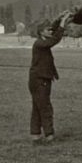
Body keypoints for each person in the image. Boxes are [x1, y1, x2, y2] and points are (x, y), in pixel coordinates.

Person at [29, 10, 71, 144]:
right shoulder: (40, 44)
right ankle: (49, 136)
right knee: (46, 107)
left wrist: (59, 18)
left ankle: (35, 135)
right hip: (41, 80)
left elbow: (53, 30)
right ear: (41, 32)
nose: (51, 31)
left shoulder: (41, 41)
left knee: (37, 107)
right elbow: (55, 39)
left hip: (37, 80)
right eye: (48, 30)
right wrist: (63, 24)